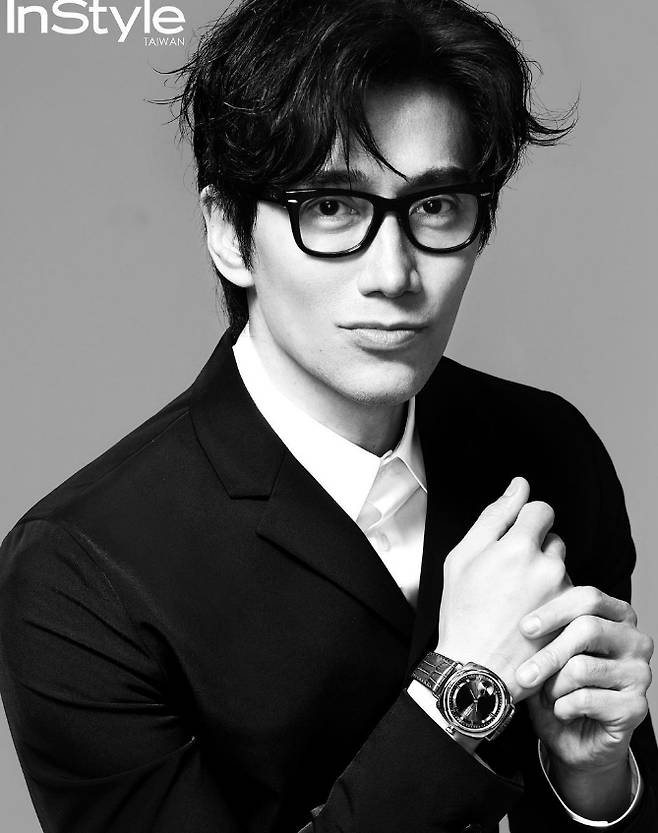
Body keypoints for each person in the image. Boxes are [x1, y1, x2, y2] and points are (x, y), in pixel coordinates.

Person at [0, 1, 655, 831]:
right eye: (332, 208)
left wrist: (595, 783)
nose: (394, 275)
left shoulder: (548, 450)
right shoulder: (77, 572)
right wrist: (462, 689)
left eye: (435, 206)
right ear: (229, 233)